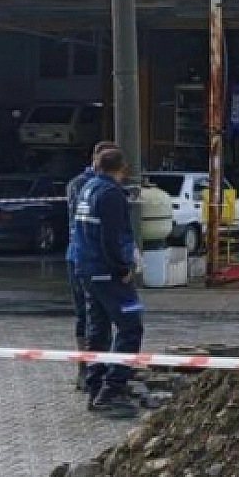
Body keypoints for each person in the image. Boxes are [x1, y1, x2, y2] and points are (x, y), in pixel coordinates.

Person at [73, 146, 143, 417]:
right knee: (131, 327)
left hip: (87, 270)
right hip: (107, 272)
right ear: (122, 169)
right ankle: (112, 390)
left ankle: (94, 386)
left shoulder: (87, 188)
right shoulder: (112, 194)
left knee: (98, 329)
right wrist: (123, 267)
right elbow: (111, 238)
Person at [65, 141, 116, 390]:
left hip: (79, 257)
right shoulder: (91, 186)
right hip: (89, 260)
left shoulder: (80, 184)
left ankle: (92, 368)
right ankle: (90, 370)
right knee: (93, 316)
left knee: (90, 315)